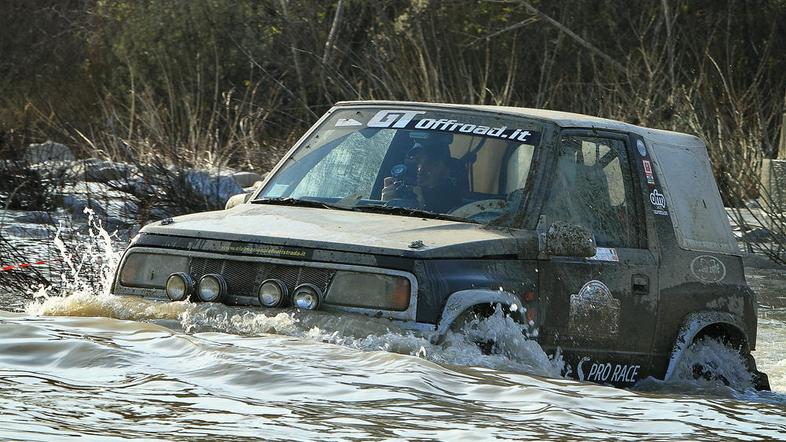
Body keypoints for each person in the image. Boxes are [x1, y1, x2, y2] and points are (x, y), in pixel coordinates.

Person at [381, 132, 465, 213]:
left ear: (447, 170)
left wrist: (421, 210)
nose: (421, 170)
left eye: (431, 163)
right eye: (417, 162)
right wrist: (384, 206)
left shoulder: (456, 207)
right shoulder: (400, 191)